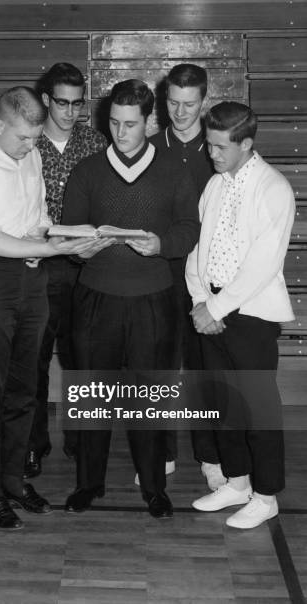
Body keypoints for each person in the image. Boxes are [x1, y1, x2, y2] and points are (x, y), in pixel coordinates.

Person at [0, 86, 96, 530]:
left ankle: (14, 479)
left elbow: (37, 221)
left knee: (25, 388)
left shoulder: (29, 153)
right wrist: (52, 249)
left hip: (32, 278)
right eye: (21, 139)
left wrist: (78, 233)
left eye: (34, 140)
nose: (29, 148)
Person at [62, 79, 200, 518]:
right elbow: (71, 228)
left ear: (149, 122)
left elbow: (189, 229)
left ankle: (155, 487)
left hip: (152, 300)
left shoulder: (173, 170)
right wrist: (82, 244)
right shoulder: (87, 170)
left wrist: (161, 245)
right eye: (114, 124)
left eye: (130, 125)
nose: (121, 134)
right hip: (96, 298)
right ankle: (89, 483)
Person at [186, 101, 295, 529]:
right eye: (208, 145)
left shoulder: (273, 189)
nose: (212, 154)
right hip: (209, 310)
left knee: (257, 408)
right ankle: (236, 481)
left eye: (220, 147)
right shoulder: (215, 185)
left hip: (250, 315)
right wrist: (199, 300)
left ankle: (266, 496)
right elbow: (200, 249)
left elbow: (263, 265)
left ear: (246, 143)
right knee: (223, 405)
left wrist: (214, 308)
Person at [24, 63, 107, 478]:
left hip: (84, 270)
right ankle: (32, 444)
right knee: (33, 360)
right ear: (45, 100)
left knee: (84, 359)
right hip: (37, 267)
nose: (70, 111)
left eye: (78, 104)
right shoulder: (26, 143)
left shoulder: (95, 142)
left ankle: (81, 440)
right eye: (62, 103)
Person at [150, 63, 224, 490]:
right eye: (173, 103)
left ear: (204, 101)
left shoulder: (217, 148)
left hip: (206, 277)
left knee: (202, 369)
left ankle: (210, 456)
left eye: (189, 104)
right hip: (159, 274)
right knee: (158, 365)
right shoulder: (150, 145)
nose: (179, 112)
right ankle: (161, 450)